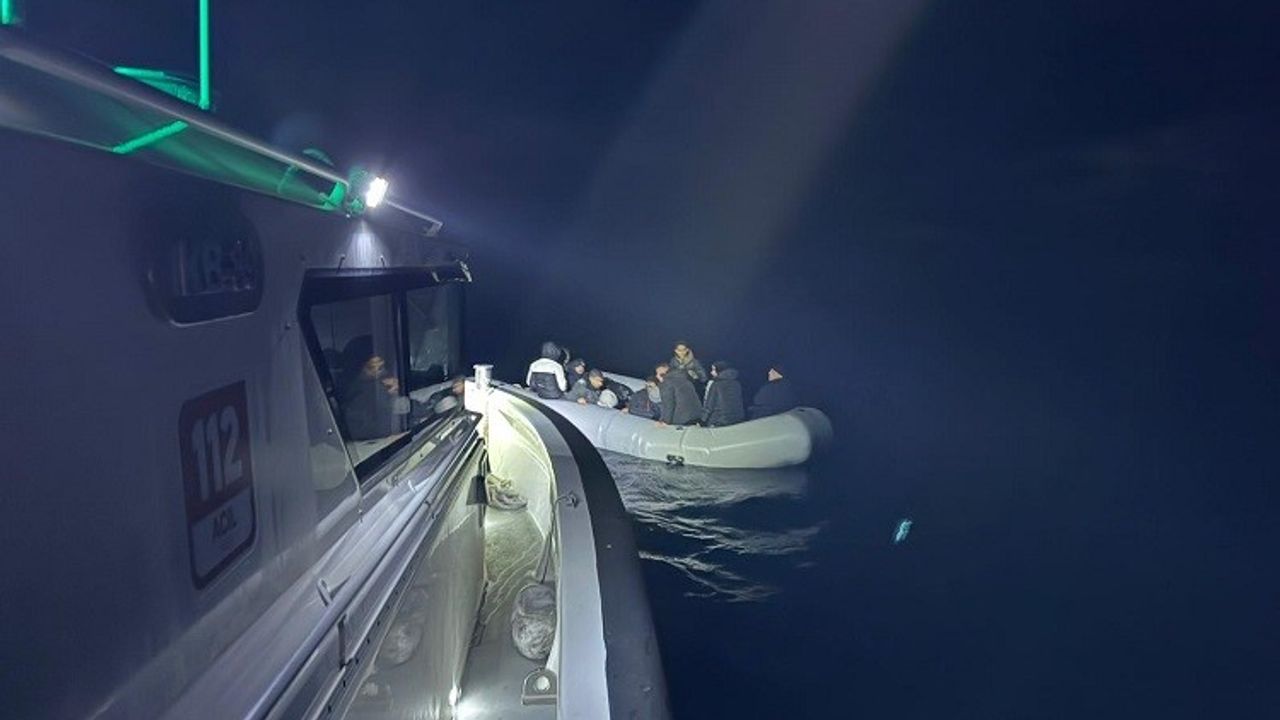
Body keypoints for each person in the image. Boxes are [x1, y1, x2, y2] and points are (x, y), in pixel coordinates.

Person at [340, 337, 404, 440]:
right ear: (355, 369)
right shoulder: (353, 398)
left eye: (381, 367)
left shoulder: (386, 386)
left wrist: (399, 393)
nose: (378, 373)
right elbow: (369, 430)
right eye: (371, 368)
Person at [656, 361, 702, 426]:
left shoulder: (667, 382)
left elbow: (668, 404)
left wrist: (664, 421)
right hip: (696, 416)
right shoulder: (684, 378)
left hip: (681, 419)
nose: (657, 376)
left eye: (658, 374)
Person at [702, 360, 746, 427]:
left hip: (719, 420)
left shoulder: (716, 385)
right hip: (737, 419)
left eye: (713, 370)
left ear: (719, 371)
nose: (711, 372)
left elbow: (709, 406)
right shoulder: (736, 383)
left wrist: (702, 420)